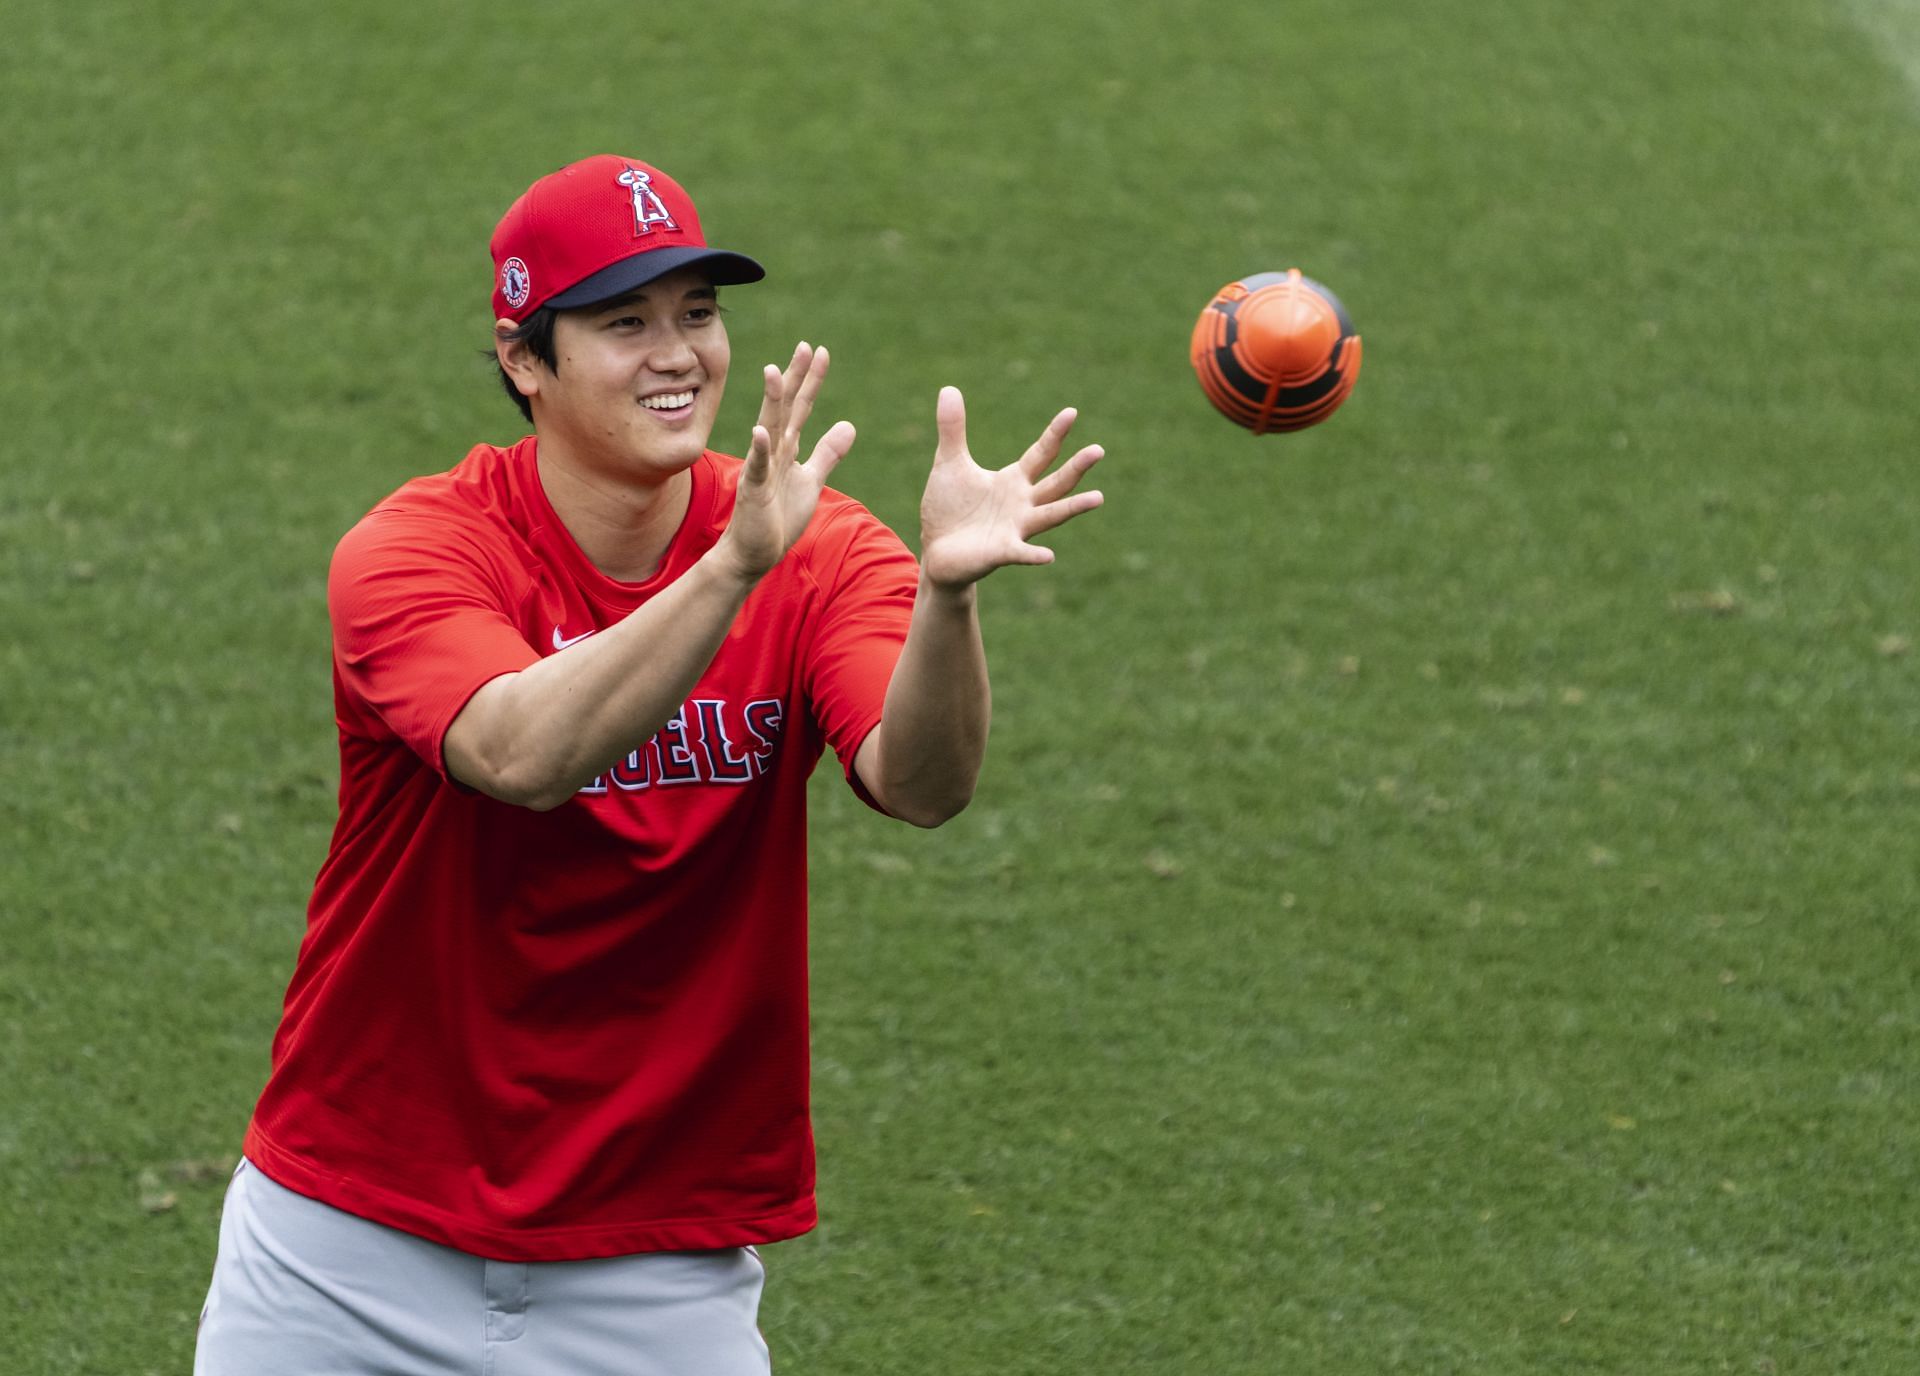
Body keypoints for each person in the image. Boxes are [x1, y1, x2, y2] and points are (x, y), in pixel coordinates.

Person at [192, 153, 1104, 1374]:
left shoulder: (821, 544)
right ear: (524, 358)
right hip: (347, 1247)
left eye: (699, 312)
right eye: (624, 322)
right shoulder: (415, 549)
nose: (678, 352)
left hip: (656, 1267)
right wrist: (727, 571)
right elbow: (521, 751)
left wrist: (946, 600)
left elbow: (922, 781)